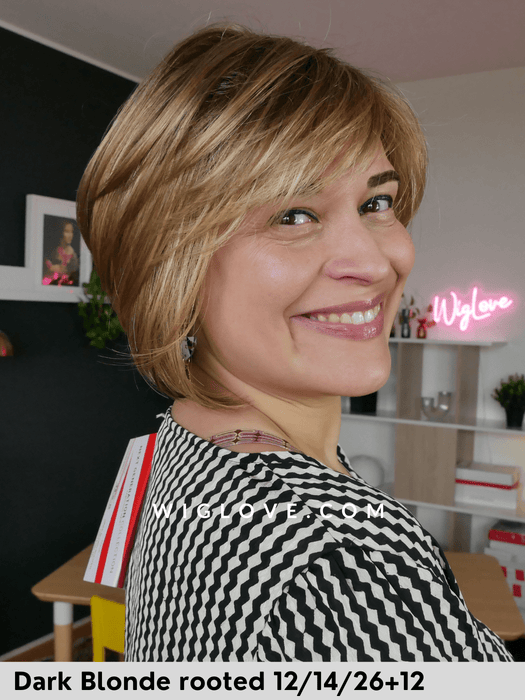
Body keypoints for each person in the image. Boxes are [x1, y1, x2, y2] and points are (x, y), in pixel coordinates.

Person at [77, 24, 514, 662]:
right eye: (293, 215)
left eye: (377, 202)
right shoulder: (342, 556)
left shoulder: (184, 439)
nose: (375, 264)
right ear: (174, 265)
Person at [42, 220, 79, 286]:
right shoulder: (53, 250)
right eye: (67, 231)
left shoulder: (73, 256)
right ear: (61, 232)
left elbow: (74, 275)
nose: (70, 235)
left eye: (71, 232)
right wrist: (51, 268)